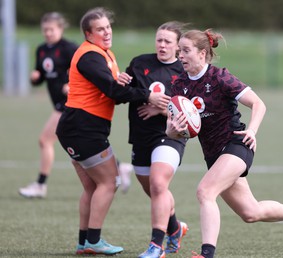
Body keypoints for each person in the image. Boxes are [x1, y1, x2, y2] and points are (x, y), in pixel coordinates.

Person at [166, 29, 283, 258]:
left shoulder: (219, 77)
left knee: (205, 191)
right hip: (214, 156)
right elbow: (173, 131)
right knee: (251, 212)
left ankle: (207, 254)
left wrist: (252, 130)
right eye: (179, 50)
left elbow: (258, 104)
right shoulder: (179, 85)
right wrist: (172, 131)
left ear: (202, 53)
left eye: (185, 50)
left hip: (237, 144)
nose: (180, 55)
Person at [56, 7, 139, 255]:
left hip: (76, 128)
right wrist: (148, 96)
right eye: (100, 29)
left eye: (108, 27)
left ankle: (84, 242)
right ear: (88, 34)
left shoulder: (103, 54)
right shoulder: (90, 56)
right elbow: (113, 92)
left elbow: (110, 87)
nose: (106, 32)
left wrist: (120, 80)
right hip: (83, 129)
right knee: (109, 181)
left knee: (92, 188)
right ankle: (94, 241)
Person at [123, 21, 188, 258]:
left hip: (170, 135)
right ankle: (175, 228)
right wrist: (126, 83)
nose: (162, 45)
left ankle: (156, 247)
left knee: (159, 183)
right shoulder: (139, 63)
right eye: (159, 40)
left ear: (177, 46)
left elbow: (191, 113)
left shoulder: (184, 71)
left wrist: (160, 109)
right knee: (151, 188)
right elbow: (122, 93)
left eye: (167, 41)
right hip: (141, 136)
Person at [18, 12, 78, 198]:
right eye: (45, 30)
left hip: (69, 102)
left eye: (51, 29)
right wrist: (35, 78)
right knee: (80, 142)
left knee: (45, 140)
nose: (48, 33)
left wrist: (71, 84)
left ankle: (40, 185)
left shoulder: (70, 48)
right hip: (58, 103)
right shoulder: (42, 50)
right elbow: (41, 76)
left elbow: (83, 70)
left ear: (60, 28)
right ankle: (118, 168)